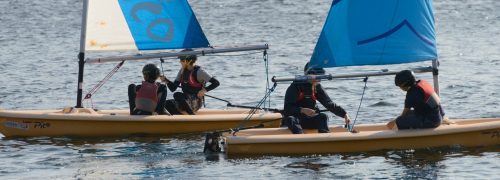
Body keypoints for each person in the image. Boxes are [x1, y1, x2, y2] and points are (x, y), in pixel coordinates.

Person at [282, 63, 352, 134]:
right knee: (290, 119)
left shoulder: (317, 87)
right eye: (317, 76)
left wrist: (344, 114)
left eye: (320, 76)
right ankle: (301, 139)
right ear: (308, 75)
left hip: (310, 120)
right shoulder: (295, 87)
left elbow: (329, 104)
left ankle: (324, 139)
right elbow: (287, 109)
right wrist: (302, 110)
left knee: (323, 117)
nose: (319, 79)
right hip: (297, 119)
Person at [161, 49, 220, 115]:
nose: (180, 62)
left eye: (182, 60)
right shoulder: (182, 71)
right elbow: (173, 88)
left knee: (177, 94)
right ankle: (181, 118)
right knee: (166, 103)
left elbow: (216, 83)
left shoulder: (199, 72)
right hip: (185, 101)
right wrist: (166, 80)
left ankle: (192, 116)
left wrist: (205, 90)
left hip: (196, 102)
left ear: (189, 61)